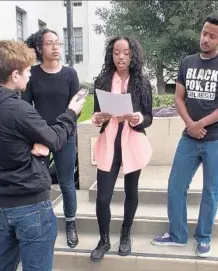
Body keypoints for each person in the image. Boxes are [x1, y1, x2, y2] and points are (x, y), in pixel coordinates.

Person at [0, 40, 86, 271]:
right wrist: (71, 112)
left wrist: (36, 143)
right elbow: (55, 139)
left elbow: (6, 142)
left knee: (3, 264)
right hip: (31, 208)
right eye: (28, 71)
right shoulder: (17, 109)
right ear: (14, 75)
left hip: (1, 205)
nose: (31, 75)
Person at [151, 13, 218, 258]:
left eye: (212, 36)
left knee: (211, 190)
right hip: (189, 138)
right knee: (175, 185)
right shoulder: (187, 62)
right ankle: (178, 235)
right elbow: (178, 98)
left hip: (217, 139)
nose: (205, 39)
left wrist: (200, 123)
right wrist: (191, 124)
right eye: (204, 33)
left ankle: (204, 238)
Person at [90, 36, 153, 262]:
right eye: (117, 52)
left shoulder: (142, 83)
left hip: (132, 141)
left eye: (126, 52)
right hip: (109, 140)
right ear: (111, 54)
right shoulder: (103, 80)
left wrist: (138, 118)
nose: (121, 57)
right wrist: (98, 117)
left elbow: (149, 118)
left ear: (133, 55)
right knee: (102, 198)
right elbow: (96, 114)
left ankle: (125, 234)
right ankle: (104, 239)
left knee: (131, 192)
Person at [23, 29, 80, 248]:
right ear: (40, 48)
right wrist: (37, 135)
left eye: (58, 43)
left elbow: (76, 108)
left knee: (67, 183)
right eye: (50, 43)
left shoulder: (70, 74)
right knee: (40, 183)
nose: (56, 47)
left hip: (65, 137)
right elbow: (26, 107)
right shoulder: (33, 74)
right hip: (40, 139)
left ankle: (71, 223)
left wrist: (62, 130)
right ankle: (43, 223)